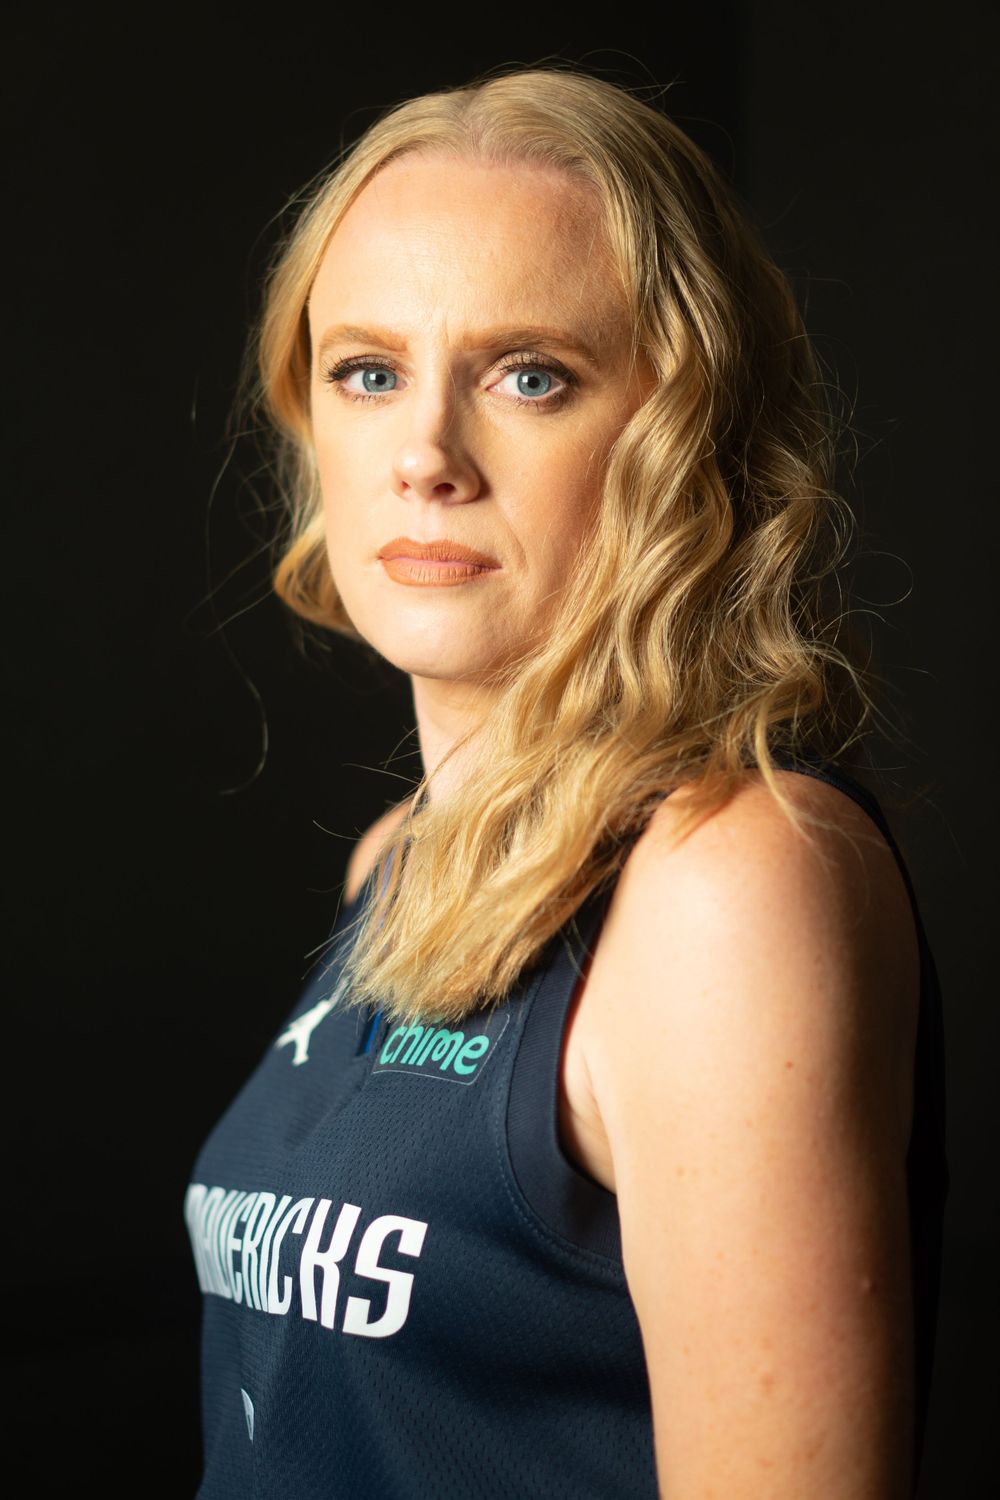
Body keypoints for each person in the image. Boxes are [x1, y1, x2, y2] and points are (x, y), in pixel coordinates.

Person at [184, 65, 949, 1499]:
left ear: (687, 432)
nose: (426, 455)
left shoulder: (729, 879)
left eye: (530, 375)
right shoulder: (397, 860)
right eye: (368, 372)